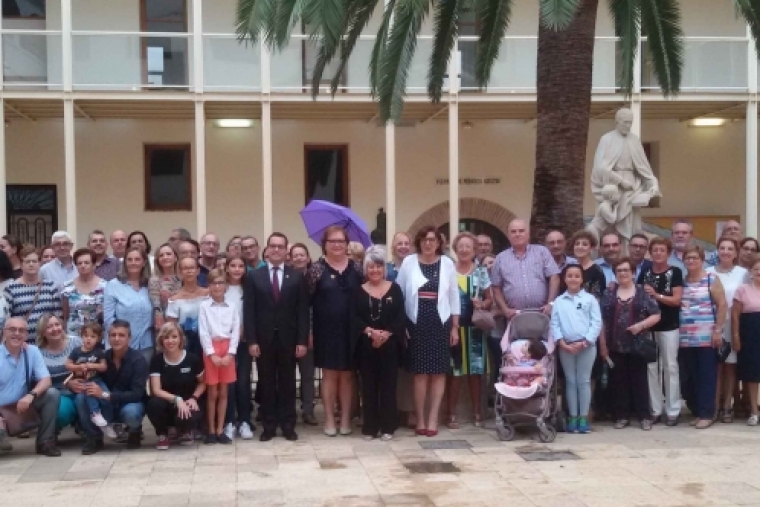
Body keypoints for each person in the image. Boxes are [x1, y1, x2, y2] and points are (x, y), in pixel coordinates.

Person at [396, 226, 460, 437]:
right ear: (419, 242)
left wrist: (455, 327)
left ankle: (433, 419)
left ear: (439, 243)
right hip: (416, 322)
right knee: (420, 373)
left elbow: (454, 296)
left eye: (432, 239)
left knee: (438, 372)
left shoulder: (447, 263)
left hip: (440, 321)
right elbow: (399, 293)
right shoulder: (409, 262)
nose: (428, 243)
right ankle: (420, 419)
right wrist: (402, 325)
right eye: (424, 239)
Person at [246, 233, 309, 441]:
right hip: (263, 339)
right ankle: (269, 425)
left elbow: (302, 312)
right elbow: (249, 311)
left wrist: (302, 341)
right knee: (266, 382)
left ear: (285, 251)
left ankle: (288, 424)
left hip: (288, 339)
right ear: (266, 250)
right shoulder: (255, 276)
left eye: (280, 247)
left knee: (288, 383)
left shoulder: (297, 277)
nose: (276, 250)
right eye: (272, 246)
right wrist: (252, 340)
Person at [307, 226, 364, 436]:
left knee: (348, 375)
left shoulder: (358, 269)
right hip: (325, 331)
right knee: (329, 375)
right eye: (332, 241)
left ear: (347, 244)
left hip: (351, 330)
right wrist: (309, 331)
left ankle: (346, 418)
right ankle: (330, 418)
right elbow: (306, 303)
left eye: (341, 241)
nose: (337, 245)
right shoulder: (316, 270)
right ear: (325, 244)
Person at [599, 257, 661, 430]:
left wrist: (640, 326)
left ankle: (644, 417)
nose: (623, 273)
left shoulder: (643, 292)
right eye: (619, 270)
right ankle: (621, 416)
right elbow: (601, 320)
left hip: (637, 344)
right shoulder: (609, 293)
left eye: (626, 270)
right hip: (615, 344)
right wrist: (603, 345)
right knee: (619, 382)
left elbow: (656, 314)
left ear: (633, 273)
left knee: (639, 381)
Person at [588, 108, 661, 246]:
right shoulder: (607, 139)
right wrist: (621, 181)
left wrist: (653, 183)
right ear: (617, 122)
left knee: (631, 225)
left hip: (632, 187)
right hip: (612, 185)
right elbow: (600, 168)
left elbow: (644, 167)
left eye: (630, 123)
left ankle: (629, 251)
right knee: (611, 224)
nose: (628, 126)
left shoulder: (634, 140)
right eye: (625, 122)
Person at [354, 246, 406, 441]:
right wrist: (370, 332)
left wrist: (386, 333)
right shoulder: (358, 291)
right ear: (365, 269)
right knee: (368, 387)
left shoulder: (395, 289)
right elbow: (354, 317)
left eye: (378, 266)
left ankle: (388, 426)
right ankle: (370, 427)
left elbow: (400, 315)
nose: (375, 270)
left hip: (390, 345)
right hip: (366, 345)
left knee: (388, 386)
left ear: (384, 268)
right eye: (371, 267)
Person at [73, 320, 147, 454]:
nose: (116, 339)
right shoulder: (101, 357)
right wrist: (72, 383)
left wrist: (104, 395)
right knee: (81, 398)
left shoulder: (138, 360)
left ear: (129, 338)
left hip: (128, 403)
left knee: (132, 412)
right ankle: (94, 438)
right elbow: (82, 375)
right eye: (113, 335)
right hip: (105, 405)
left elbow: (137, 394)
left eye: (121, 335)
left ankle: (134, 431)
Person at [637, 237, 684, 426]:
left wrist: (656, 295)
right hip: (649, 327)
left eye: (662, 250)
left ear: (668, 253)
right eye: (655, 250)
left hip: (669, 326)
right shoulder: (645, 272)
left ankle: (673, 410)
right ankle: (655, 409)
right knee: (651, 368)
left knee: (670, 367)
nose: (658, 253)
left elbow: (677, 300)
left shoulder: (675, 272)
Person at [447, 232, 492, 429]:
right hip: (453, 328)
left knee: (475, 372)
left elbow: (490, 298)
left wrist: (482, 304)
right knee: (455, 372)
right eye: (461, 246)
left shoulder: (481, 272)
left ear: (474, 250)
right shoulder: (448, 270)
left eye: (468, 247)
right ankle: (451, 414)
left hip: (475, 328)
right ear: (455, 249)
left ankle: (477, 413)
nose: (464, 250)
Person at [551, 264, 602, 433]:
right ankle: (572, 416)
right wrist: (561, 343)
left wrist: (585, 341)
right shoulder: (559, 301)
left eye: (577, 276)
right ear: (564, 279)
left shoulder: (590, 299)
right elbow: (554, 323)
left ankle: (583, 417)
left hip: (586, 346)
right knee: (571, 381)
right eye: (570, 276)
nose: (573, 279)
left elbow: (596, 322)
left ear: (582, 279)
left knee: (584, 381)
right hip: (566, 346)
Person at [679, 245, 726, 429]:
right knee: (691, 378)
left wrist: (718, 330)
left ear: (702, 260)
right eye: (688, 258)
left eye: (695, 258)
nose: (691, 261)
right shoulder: (682, 281)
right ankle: (698, 411)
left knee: (707, 376)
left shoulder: (711, 279)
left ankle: (707, 413)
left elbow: (722, 305)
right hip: (685, 338)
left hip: (706, 337)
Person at [0, 317, 61, 456]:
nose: (17, 333)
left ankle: (45, 442)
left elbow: (46, 380)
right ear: (4, 332)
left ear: (27, 335)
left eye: (21, 330)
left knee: (52, 394)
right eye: (12, 329)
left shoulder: (32, 351)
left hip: (21, 406)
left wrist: (31, 395)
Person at [707, 237, 748, 423]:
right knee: (715, 366)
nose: (725, 252)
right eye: (722, 248)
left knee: (730, 365)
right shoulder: (708, 272)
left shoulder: (743, 273)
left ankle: (727, 407)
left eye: (730, 248)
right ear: (717, 250)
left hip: (733, 322)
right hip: (712, 323)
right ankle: (714, 406)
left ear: (736, 252)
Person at [147, 322, 205, 450]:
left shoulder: (192, 359)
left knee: (188, 414)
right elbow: (156, 390)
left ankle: (185, 431)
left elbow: (203, 382)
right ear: (161, 340)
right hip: (167, 402)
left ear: (181, 339)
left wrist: (194, 398)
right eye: (166, 337)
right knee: (153, 404)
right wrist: (177, 399)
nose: (170, 341)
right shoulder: (157, 360)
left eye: (174, 337)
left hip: (188, 401)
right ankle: (163, 434)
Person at [200, 268, 239, 444]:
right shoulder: (204, 306)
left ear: (226, 286)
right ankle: (210, 430)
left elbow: (236, 330)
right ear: (209, 285)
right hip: (212, 349)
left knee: (224, 392)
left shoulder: (232, 306)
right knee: (212, 392)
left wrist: (231, 353)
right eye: (214, 283)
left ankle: (220, 429)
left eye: (221, 283)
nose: (217, 286)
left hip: (227, 348)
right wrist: (211, 353)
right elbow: (203, 331)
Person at [491, 218, 560, 318]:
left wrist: (551, 304)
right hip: (514, 316)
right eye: (513, 231)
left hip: (542, 313)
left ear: (528, 234)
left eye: (521, 231)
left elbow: (554, 277)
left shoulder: (542, 252)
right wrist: (505, 310)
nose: (517, 234)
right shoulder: (500, 258)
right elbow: (496, 288)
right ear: (508, 235)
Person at [223, 254, 256, 439]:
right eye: (233, 265)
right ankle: (229, 421)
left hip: (243, 342)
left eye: (240, 266)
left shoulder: (248, 288)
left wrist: (246, 330)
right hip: (225, 342)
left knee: (243, 381)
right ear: (226, 268)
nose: (237, 269)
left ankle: (245, 421)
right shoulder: (221, 288)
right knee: (229, 383)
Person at [104, 247, 154, 363]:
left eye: (137, 259)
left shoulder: (151, 284)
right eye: (129, 259)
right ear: (125, 262)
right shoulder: (113, 285)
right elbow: (108, 319)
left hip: (146, 345)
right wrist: (119, 339)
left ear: (144, 262)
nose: (133, 263)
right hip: (121, 347)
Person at [4, 245, 62, 341]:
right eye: (27, 261)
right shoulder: (10, 289)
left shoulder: (51, 286)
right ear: (21, 265)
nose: (31, 264)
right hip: (22, 343)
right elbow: (7, 319)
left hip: (48, 343)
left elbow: (58, 316)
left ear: (39, 263)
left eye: (34, 261)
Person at [288, 243, 317, 426]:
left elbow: (313, 309)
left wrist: (310, 332)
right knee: (287, 375)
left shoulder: (314, 279)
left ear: (307, 257)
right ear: (290, 259)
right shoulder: (286, 277)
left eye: (302, 255)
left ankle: (308, 411)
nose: (299, 258)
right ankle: (288, 410)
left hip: (308, 333)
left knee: (307, 375)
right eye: (295, 255)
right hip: (289, 333)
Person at [37, 314, 82, 432]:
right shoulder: (38, 352)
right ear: (42, 332)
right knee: (61, 413)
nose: (55, 329)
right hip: (58, 394)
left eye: (57, 324)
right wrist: (67, 384)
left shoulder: (76, 342)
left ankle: (83, 425)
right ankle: (55, 428)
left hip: (81, 388)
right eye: (49, 327)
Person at [65, 322, 112, 432]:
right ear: (81, 336)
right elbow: (67, 365)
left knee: (106, 396)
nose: (88, 339)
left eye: (92, 336)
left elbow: (104, 367)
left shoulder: (98, 352)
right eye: (86, 336)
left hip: (97, 380)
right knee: (90, 393)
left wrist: (92, 365)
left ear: (98, 338)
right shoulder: (76, 351)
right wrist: (79, 367)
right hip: (83, 380)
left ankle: (109, 421)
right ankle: (95, 413)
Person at [731, 255, 760, 425]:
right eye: (756, 269)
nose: (759, 272)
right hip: (750, 335)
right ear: (750, 272)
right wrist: (736, 336)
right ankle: (754, 412)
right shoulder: (742, 289)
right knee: (752, 374)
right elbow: (735, 316)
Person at [166, 257, 209, 358]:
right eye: (185, 268)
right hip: (186, 345)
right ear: (180, 273)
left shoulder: (208, 294)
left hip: (208, 343)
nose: (189, 271)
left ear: (198, 271)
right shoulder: (174, 299)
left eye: (192, 268)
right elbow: (171, 327)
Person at [61, 248, 107, 339]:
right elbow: (66, 316)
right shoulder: (67, 287)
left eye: (86, 263)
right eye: (79, 263)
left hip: (96, 336)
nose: (83, 266)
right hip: (73, 336)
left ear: (94, 265)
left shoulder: (105, 286)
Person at [149, 243, 181, 329]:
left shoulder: (183, 279)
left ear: (175, 257)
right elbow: (157, 308)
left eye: (168, 254)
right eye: (161, 255)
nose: (165, 257)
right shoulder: (154, 280)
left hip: (183, 323)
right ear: (158, 260)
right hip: (164, 326)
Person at [568, 230, 606, 299]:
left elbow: (597, 297)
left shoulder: (597, 271)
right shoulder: (568, 268)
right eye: (577, 244)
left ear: (591, 248)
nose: (580, 247)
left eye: (584, 244)